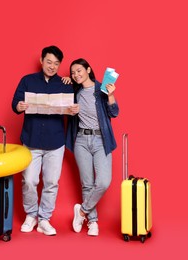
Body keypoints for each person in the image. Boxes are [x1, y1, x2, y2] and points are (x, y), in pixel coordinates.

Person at [11, 46, 79, 236]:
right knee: (30, 180)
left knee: (51, 182)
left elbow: (77, 100)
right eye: (49, 62)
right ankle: (31, 215)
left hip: (55, 142)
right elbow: (14, 103)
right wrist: (19, 105)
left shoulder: (65, 84)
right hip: (31, 140)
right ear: (41, 61)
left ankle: (44, 219)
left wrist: (73, 110)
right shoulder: (27, 80)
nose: (52, 66)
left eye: (56, 63)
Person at [66, 58, 119, 236]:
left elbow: (114, 113)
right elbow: (59, 98)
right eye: (73, 73)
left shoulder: (101, 89)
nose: (76, 75)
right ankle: (93, 222)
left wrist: (111, 96)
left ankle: (81, 212)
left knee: (103, 181)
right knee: (87, 183)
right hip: (81, 139)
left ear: (88, 69)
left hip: (100, 140)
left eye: (79, 70)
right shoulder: (75, 91)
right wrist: (65, 80)